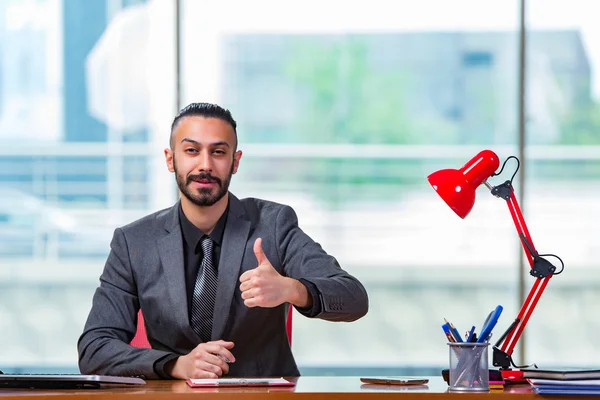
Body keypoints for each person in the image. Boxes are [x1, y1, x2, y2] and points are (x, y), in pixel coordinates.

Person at [77, 102, 369, 380]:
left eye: (218, 152)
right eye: (191, 150)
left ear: (235, 161)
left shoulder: (273, 225)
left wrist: (294, 289)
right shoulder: (134, 242)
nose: (205, 165)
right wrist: (175, 365)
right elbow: (94, 349)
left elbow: (354, 298)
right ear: (170, 159)